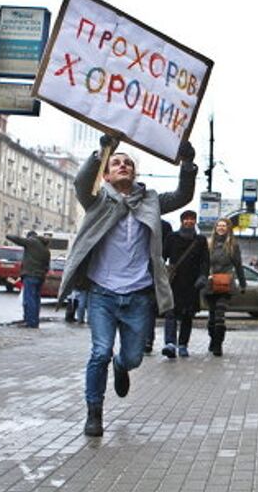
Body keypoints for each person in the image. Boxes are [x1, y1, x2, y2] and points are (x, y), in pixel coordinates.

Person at [58, 136, 197, 437]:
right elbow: (82, 183)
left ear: (135, 173)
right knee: (100, 352)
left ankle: (122, 367)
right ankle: (94, 413)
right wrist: (103, 150)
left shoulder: (150, 201)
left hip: (138, 295)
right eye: (116, 162)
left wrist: (188, 164)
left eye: (128, 163)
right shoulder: (97, 200)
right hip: (102, 293)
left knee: (132, 357)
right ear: (106, 174)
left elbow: (183, 196)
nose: (123, 165)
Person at [161, 210, 209, 358]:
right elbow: (162, 256)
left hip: (192, 283)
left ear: (195, 222)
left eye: (191, 219)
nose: (189, 222)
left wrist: (202, 276)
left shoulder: (200, 240)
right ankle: (170, 343)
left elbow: (205, 261)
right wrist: (161, 274)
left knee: (187, 314)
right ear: (181, 221)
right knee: (171, 313)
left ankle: (183, 344)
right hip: (174, 281)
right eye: (186, 219)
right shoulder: (172, 237)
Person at [205, 217, 246, 356]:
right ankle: (213, 339)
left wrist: (242, 283)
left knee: (219, 316)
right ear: (215, 228)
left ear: (228, 228)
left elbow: (238, 266)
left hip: (225, 283)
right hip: (210, 284)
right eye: (219, 225)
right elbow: (203, 264)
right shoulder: (209, 244)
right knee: (211, 318)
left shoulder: (233, 245)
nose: (221, 228)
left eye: (224, 226)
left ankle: (218, 345)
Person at [7, 231, 51, 328]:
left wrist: (8, 235)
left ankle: (30, 321)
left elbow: (18, 240)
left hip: (30, 275)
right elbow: (47, 266)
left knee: (29, 299)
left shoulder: (32, 242)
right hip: (40, 277)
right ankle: (34, 321)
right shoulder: (46, 250)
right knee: (36, 299)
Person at [144, 219, 173, 354]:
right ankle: (147, 340)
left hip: (158, 270)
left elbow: (167, 251)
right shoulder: (143, 221)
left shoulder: (165, 226)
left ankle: (168, 342)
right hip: (145, 271)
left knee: (167, 308)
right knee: (149, 309)